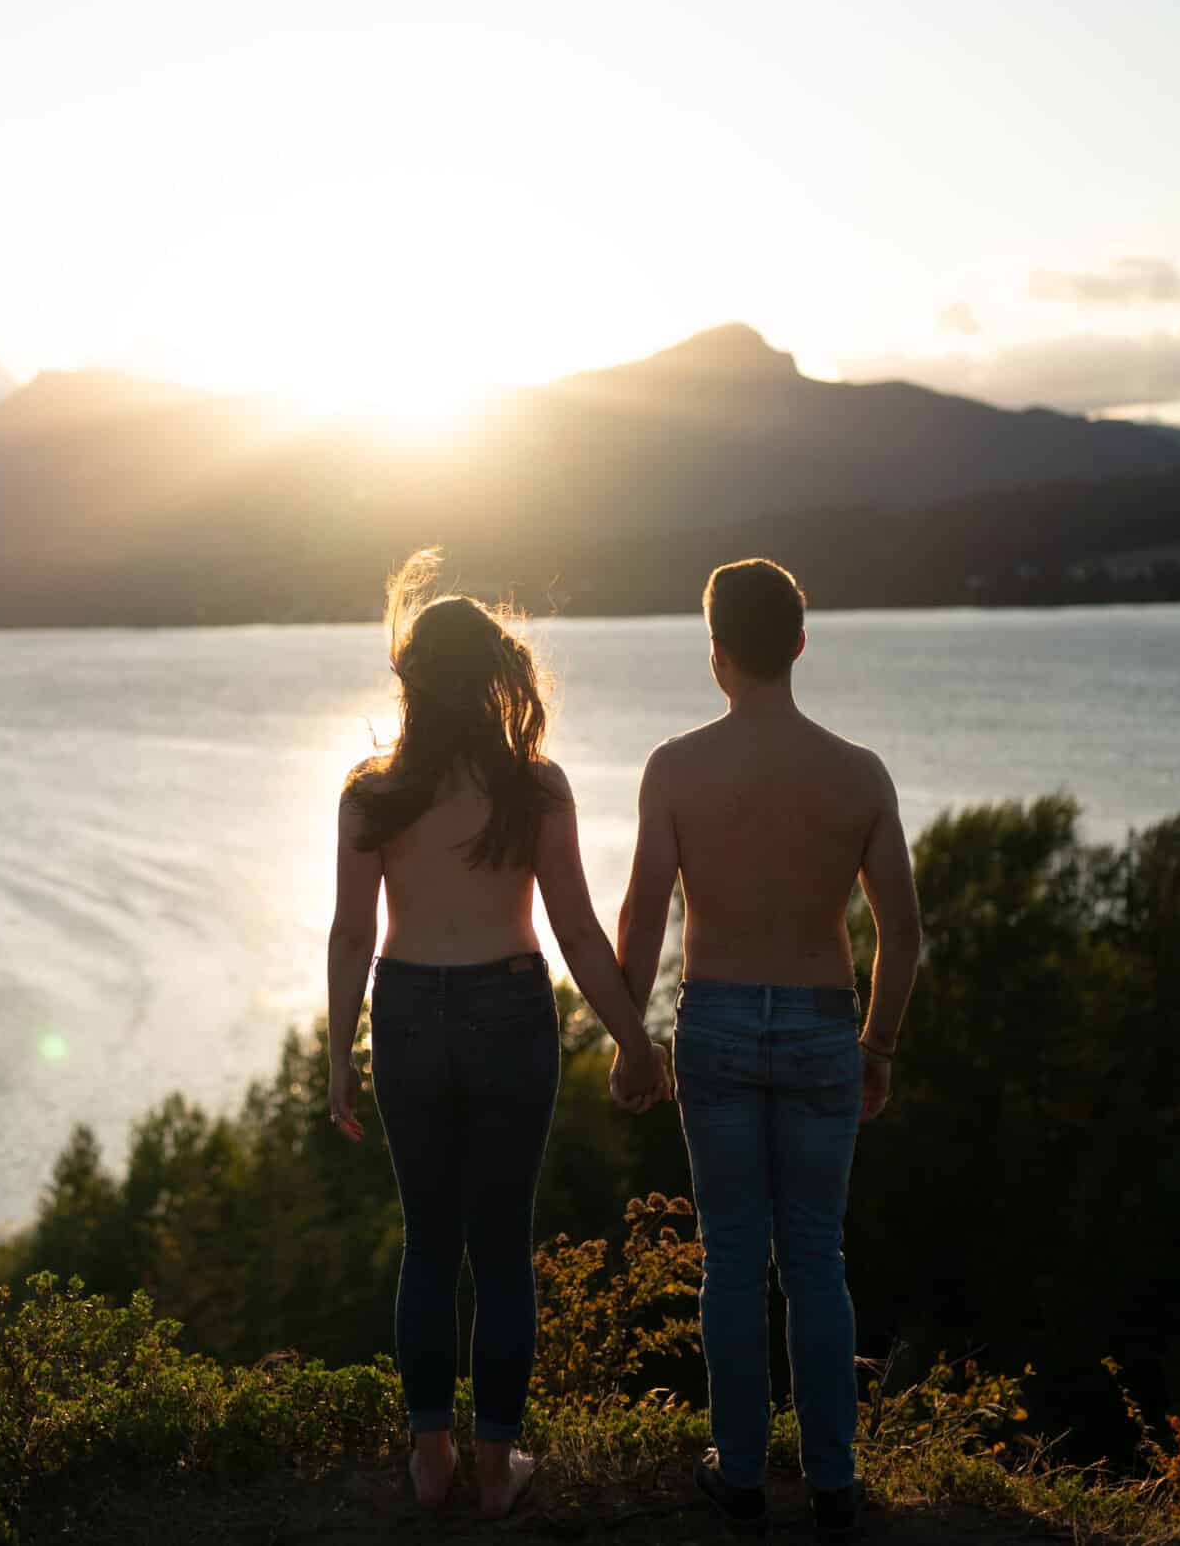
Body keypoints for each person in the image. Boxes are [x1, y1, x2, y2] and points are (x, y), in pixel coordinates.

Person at [325, 548, 668, 1519]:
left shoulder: (370, 793)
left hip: (404, 1012)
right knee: (501, 1247)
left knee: (428, 1244)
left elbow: (353, 932)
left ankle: (428, 1460)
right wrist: (632, 1042)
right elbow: (574, 930)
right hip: (508, 1010)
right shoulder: (534, 787)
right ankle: (493, 1469)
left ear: (410, 678)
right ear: (494, 679)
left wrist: (335, 1055)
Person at [613, 558, 921, 1544]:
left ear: (715, 651)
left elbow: (642, 915)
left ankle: (739, 1474)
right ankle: (833, 1479)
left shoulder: (675, 766)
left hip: (714, 1026)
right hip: (825, 1024)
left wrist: (628, 1039)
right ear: (798, 641)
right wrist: (877, 1045)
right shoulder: (857, 772)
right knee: (817, 1258)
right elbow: (903, 934)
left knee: (735, 1259)